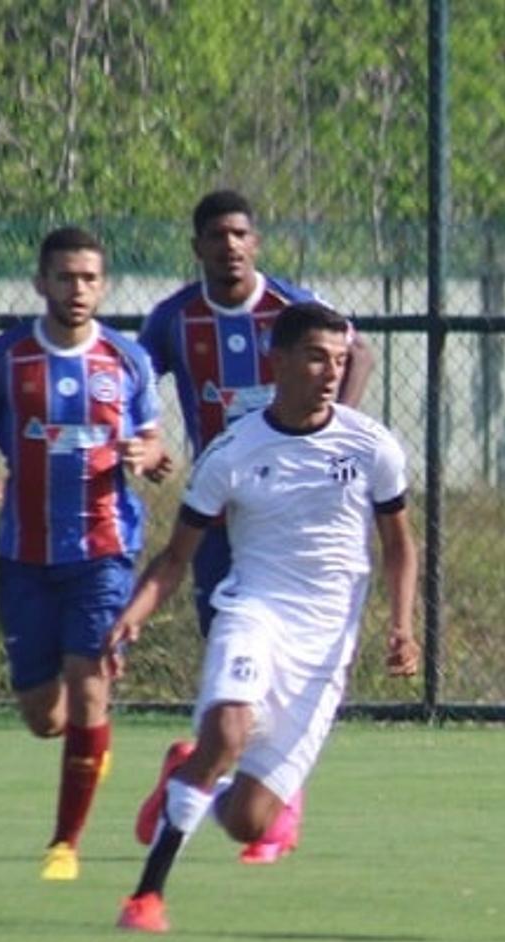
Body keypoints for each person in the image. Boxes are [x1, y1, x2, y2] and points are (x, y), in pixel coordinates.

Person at [105, 302, 418, 934]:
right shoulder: (233, 452)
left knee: (249, 819)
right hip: (254, 612)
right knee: (225, 733)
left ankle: (186, 780)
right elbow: (177, 557)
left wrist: (403, 626)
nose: (331, 372)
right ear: (278, 360)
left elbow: (399, 546)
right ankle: (146, 897)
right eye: (315, 357)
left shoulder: (372, 446)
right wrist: (132, 616)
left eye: (339, 360)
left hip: (326, 646)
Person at [136, 188, 377, 864]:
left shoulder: (291, 308)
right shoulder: (174, 318)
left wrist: (330, 434)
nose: (231, 246)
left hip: (289, 507)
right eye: (217, 235)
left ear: (257, 241)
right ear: (199, 247)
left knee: (291, 663)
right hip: (223, 504)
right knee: (235, 648)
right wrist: (149, 439)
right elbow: (130, 380)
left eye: (241, 233)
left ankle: (269, 808)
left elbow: (360, 351)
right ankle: (211, 776)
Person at [0, 225, 167, 881]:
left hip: (103, 555)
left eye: (90, 278)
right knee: (44, 716)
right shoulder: (7, 357)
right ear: (41, 282)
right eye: (66, 277)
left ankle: (63, 845)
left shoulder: (127, 360)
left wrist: (145, 453)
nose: (78, 289)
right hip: (25, 557)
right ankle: (88, 741)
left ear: (104, 285)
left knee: (90, 687)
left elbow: (156, 443)